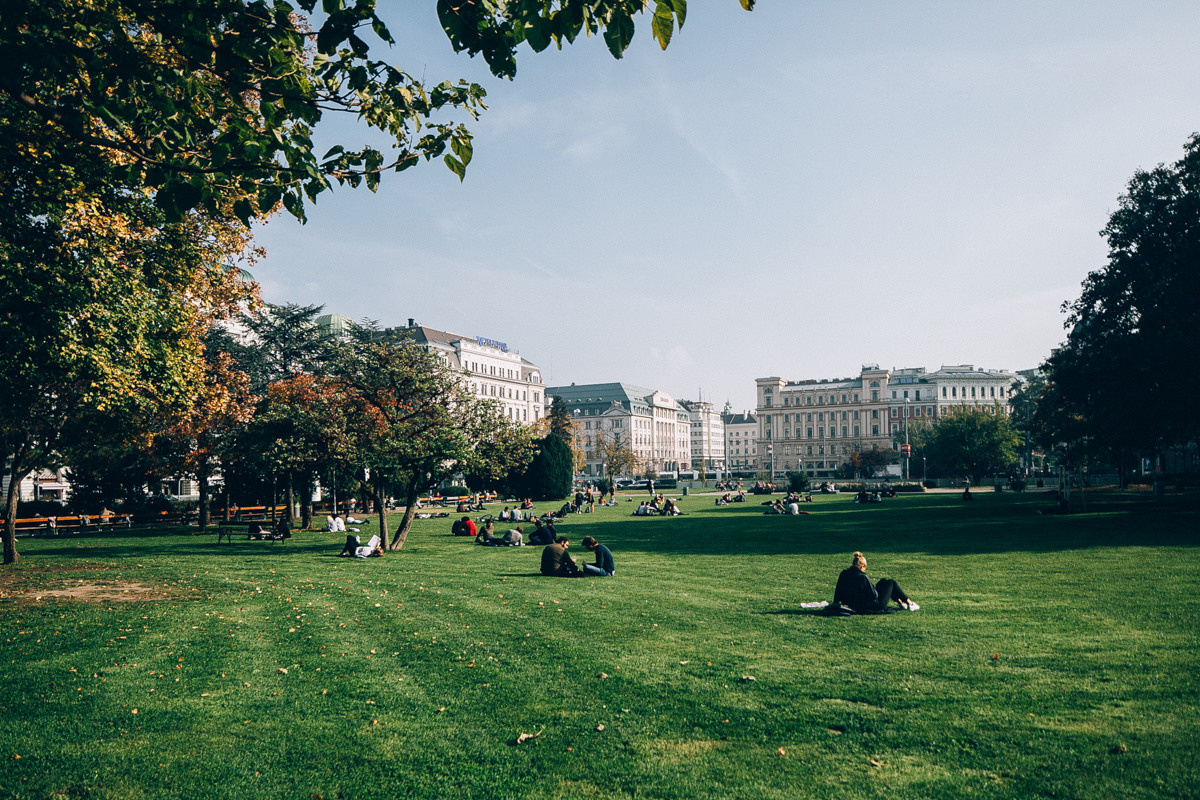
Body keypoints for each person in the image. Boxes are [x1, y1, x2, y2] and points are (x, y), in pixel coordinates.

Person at [833, 551, 916, 613]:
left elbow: (838, 591)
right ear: (862, 567)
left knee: (883, 581)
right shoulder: (862, 577)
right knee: (891, 582)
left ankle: (901, 603)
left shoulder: (844, 574)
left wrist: (835, 602)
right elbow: (874, 596)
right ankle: (909, 602)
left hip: (851, 603)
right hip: (873, 606)